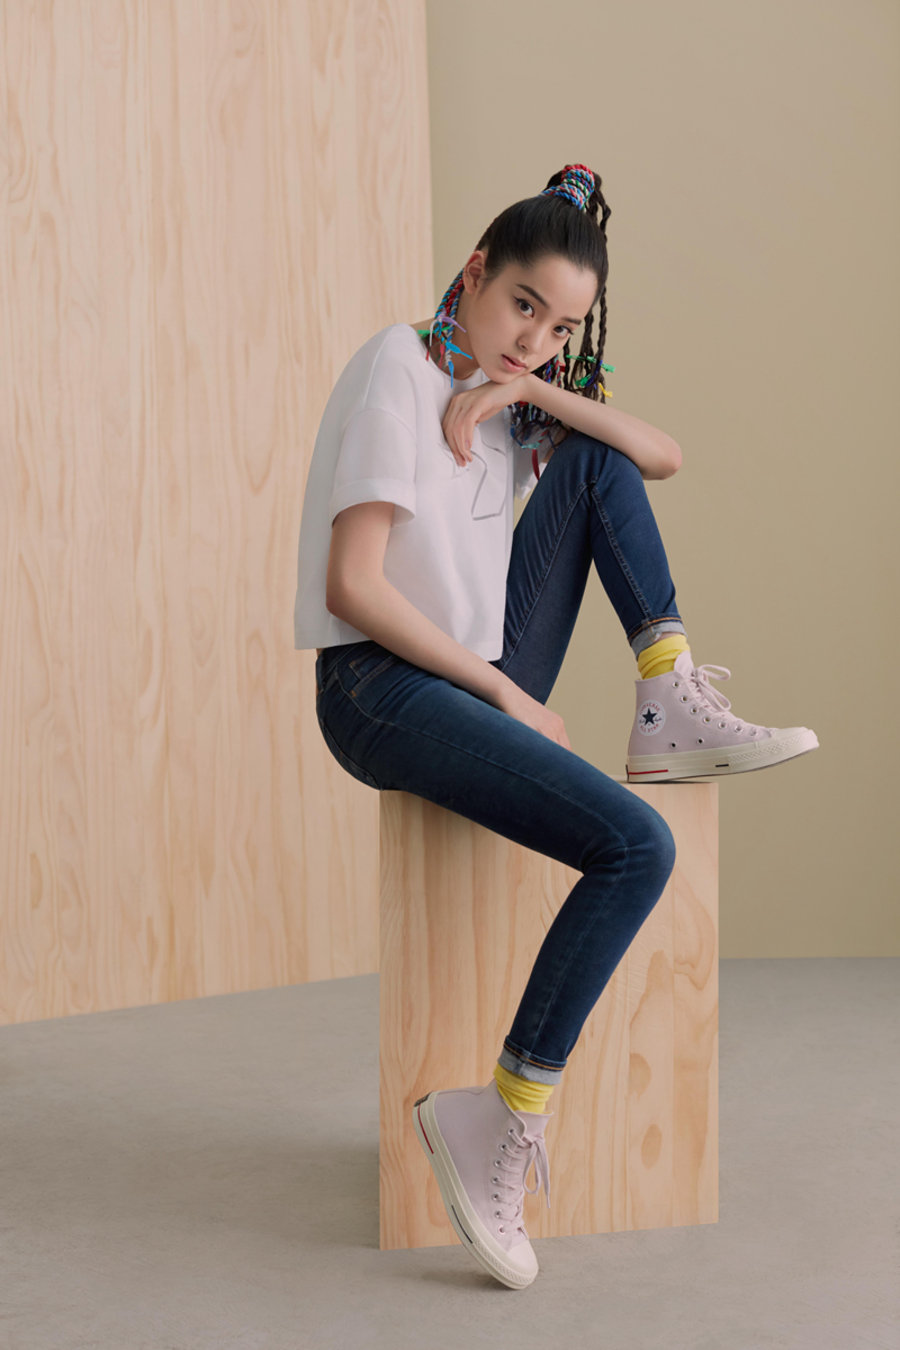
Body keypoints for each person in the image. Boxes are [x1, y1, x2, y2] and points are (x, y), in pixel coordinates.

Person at [293, 163, 818, 1288]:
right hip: (378, 688)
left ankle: (667, 686)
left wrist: (541, 400)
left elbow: (660, 454)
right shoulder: (399, 366)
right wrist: (504, 696)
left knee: (596, 459)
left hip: (466, 668)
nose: (533, 338)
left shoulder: (511, 401)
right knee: (637, 846)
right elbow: (353, 587)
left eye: (562, 327)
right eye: (522, 305)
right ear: (476, 272)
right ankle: (500, 1109)